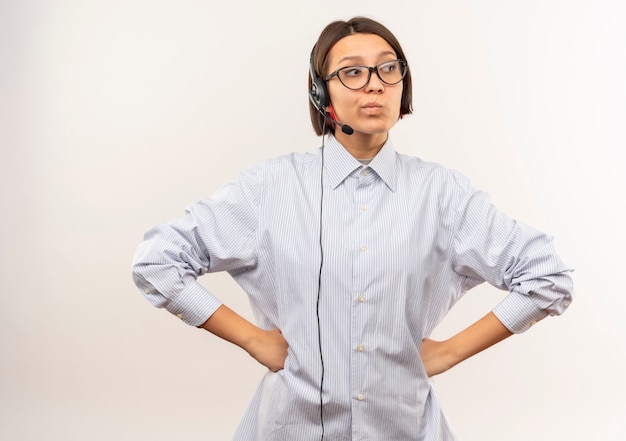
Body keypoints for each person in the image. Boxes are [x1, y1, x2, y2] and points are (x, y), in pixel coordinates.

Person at [132, 16, 573, 441]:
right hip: (292, 427)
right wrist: (253, 339)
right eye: (353, 72)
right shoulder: (268, 188)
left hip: (404, 429)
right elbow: (158, 262)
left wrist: (450, 351)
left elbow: (546, 276)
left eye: (388, 67)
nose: (376, 83)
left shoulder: (444, 194)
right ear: (321, 93)